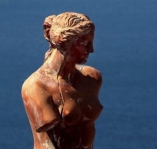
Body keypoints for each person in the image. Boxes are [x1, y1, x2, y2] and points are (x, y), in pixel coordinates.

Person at [21, 12, 103, 149]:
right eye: (84, 43)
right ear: (64, 42)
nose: (91, 49)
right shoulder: (36, 86)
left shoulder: (92, 78)